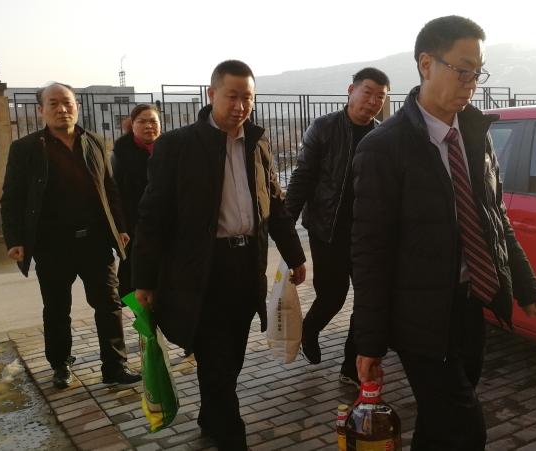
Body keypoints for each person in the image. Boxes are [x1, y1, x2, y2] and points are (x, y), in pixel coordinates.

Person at [350, 16, 536, 450]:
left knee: (439, 422)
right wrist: (369, 341)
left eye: (477, 72)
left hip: (470, 303)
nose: (471, 83)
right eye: (462, 70)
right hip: (417, 316)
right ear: (426, 64)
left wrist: (525, 283)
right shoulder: (384, 148)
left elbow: (493, 216)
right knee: (465, 428)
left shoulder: (474, 134)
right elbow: (370, 252)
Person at [132, 60, 306, 450]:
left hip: (246, 268)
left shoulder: (257, 144)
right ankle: (230, 435)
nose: (240, 106)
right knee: (215, 358)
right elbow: (152, 216)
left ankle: (211, 416)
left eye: (248, 97)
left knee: (232, 357)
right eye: (232, 96)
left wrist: (295, 255)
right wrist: (143, 280)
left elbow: (275, 204)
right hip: (202, 272)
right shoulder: (178, 146)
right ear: (212, 94)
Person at [0, 82, 141, 389]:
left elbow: (110, 189)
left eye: (67, 103)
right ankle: (60, 364)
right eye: (53, 104)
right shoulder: (26, 148)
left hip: (95, 241)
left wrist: (120, 227)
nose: (62, 109)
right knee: (56, 308)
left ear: (77, 106)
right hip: (51, 244)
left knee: (109, 304)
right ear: (41, 110)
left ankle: (115, 366)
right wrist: (14, 240)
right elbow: (11, 197)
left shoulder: (93, 141)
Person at [285, 67, 389, 387]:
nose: (373, 101)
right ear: (351, 90)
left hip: (367, 235)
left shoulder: (383, 136)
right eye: (367, 92)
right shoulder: (324, 128)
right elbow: (303, 178)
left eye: (380, 97)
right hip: (327, 231)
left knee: (369, 300)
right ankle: (309, 329)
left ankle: (350, 366)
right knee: (332, 297)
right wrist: (285, 230)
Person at [111, 104, 161, 297]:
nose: (148, 126)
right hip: (134, 227)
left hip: (166, 226)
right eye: (142, 121)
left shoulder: (170, 149)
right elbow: (115, 194)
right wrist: (121, 227)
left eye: (153, 121)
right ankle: (141, 316)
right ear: (132, 125)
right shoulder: (121, 154)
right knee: (133, 278)